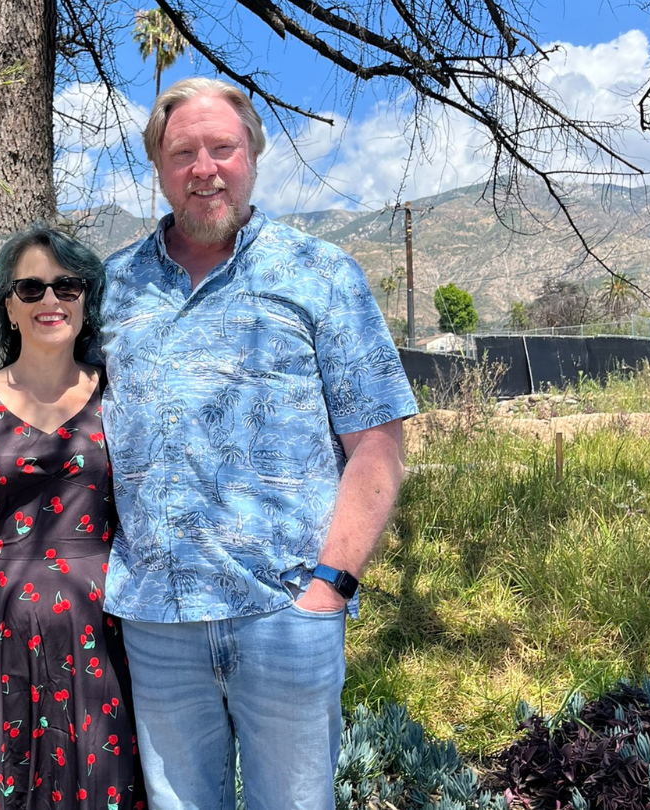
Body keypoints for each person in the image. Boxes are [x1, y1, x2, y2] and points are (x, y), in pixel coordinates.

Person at [98, 78, 419, 810]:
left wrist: (328, 589)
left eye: (222, 148)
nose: (204, 168)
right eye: (183, 152)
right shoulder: (112, 288)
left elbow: (378, 445)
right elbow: (64, 425)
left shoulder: (320, 274)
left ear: (253, 156)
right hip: (156, 624)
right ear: (159, 166)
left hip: (287, 616)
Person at [0, 225, 146, 810]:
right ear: (9, 307)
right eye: (31, 288)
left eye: (67, 286)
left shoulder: (122, 396)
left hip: (103, 637)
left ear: (85, 300)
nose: (51, 300)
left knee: (100, 786)